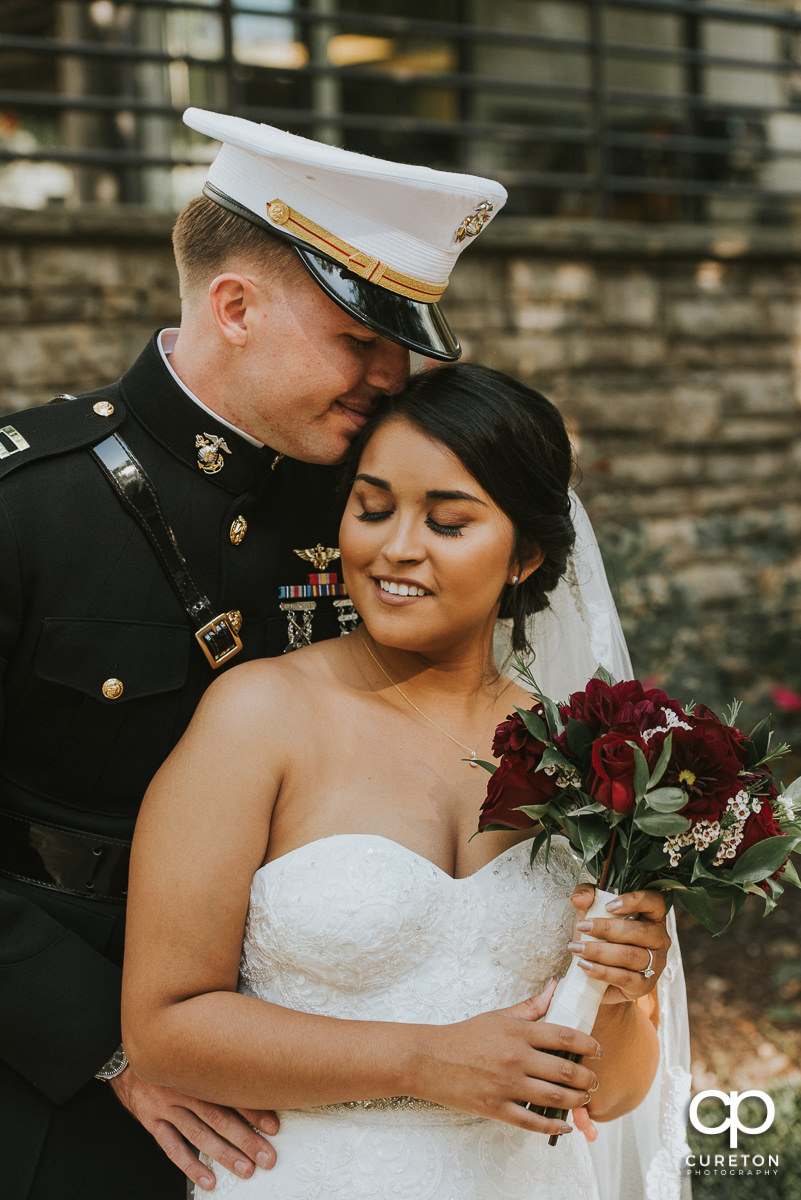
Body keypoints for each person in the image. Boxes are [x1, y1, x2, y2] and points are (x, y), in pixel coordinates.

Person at [0, 111, 507, 1199]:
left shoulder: (372, 512)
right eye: (360, 340)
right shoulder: (29, 507)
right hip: (49, 1070)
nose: (390, 376)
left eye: (404, 347)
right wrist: (115, 1045)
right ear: (235, 305)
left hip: (325, 1068)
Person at [121, 363, 676, 1200]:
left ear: (524, 554)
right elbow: (163, 1028)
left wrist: (619, 989)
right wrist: (423, 1060)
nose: (394, 547)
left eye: (447, 523)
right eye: (372, 508)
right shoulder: (261, 714)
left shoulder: (583, 759)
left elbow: (614, 1089)